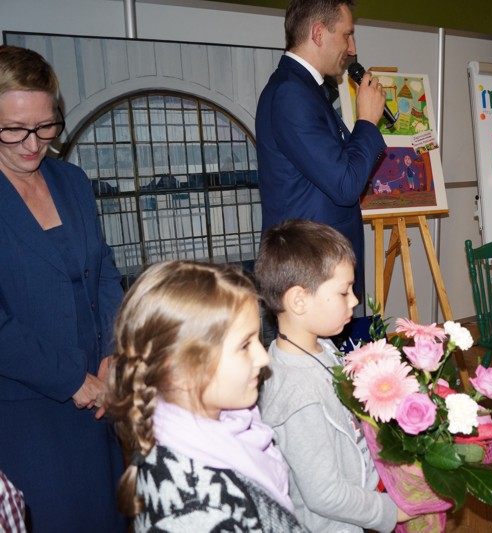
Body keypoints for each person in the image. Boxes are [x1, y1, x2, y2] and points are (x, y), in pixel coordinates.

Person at [0, 45, 126, 531]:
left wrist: (113, 351)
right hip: (26, 409)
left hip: (98, 398)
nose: (33, 144)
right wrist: (71, 379)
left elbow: (105, 270)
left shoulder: (71, 180)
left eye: (46, 126)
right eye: (14, 129)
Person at [104, 261, 307, 531]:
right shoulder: (197, 512)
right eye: (244, 345)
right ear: (181, 371)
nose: (263, 357)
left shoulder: (228, 424)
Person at [255, 219, 411, 532]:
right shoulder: (298, 397)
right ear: (299, 300)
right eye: (343, 292)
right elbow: (325, 495)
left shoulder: (320, 346)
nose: (354, 300)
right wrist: (391, 512)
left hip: (360, 500)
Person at [256, 0, 387, 301]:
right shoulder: (291, 93)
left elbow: (338, 167)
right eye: (347, 35)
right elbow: (345, 184)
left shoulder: (307, 89)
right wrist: (367, 121)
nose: (352, 48)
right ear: (318, 33)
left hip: (320, 268)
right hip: (310, 272)